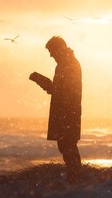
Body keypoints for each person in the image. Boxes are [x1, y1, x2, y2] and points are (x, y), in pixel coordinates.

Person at [29, 36, 82, 183]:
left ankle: (75, 180)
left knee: (68, 147)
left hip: (67, 115)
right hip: (66, 114)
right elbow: (60, 90)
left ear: (59, 49)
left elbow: (62, 91)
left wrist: (41, 80)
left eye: (52, 51)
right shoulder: (66, 64)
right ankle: (74, 179)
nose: (51, 55)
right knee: (67, 147)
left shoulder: (69, 64)